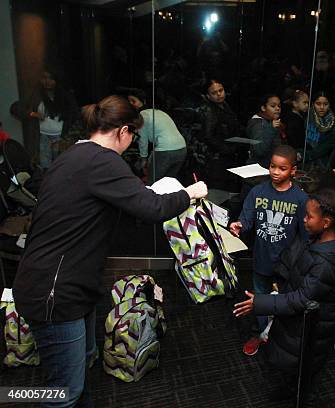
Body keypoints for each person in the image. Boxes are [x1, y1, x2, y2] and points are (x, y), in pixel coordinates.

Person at [12, 95, 208, 407]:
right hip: (55, 292)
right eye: (134, 136)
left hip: (66, 283)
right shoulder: (103, 161)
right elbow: (153, 208)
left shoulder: (75, 154)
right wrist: (189, 193)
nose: (132, 144)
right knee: (62, 393)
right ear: (123, 131)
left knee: (82, 366)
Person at [233, 188, 335, 407]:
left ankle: (301, 398)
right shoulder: (316, 239)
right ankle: (292, 390)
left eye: (309, 216)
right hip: (298, 323)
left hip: (311, 328)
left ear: (327, 222)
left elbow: (301, 299)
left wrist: (260, 303)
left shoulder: (326, 265)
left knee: (304, 371)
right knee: (294, 369)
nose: (304, 220)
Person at [229, 145, 308, 356]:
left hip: (287, 264)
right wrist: (239, 225)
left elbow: (305, 234)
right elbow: (247, 218)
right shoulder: (258, 191)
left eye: (282, 168)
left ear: (292, 170)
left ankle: (278, 338)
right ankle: (259, 334)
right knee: (259, 299)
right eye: (272, 166)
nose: (275, 172)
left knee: (284, 302)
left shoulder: (300, 199)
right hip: (262, 259)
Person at [127, 92, 187, 183]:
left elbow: (143, 140)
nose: (131, 104)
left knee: (154, 183)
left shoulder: (142, 115)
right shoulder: (158, 111)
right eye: (129, 101)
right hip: (182, 148)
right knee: (168, 183)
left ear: (143, 101)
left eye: (133, 101)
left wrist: (143, 159)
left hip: (165, 151)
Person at [27, 70, 79, 169]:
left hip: (60, 136)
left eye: (51, 78)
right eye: (44, 78)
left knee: (60, 166)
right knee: (45, 166)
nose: (47, 81)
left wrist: (67, 136)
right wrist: (33, 114)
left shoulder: (65, 95)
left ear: (56, 80)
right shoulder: (36, 95)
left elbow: (75, 114)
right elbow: (17, 108)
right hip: (42, 136)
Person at [197, 79, 242, 189]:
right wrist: (226, 149)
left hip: (229, 152)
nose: (219, 94)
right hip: (217, 157)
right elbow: (208, 136)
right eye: (214, 93)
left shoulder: (225, 105)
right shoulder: (209, 111)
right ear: (208, 96)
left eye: (220, 90)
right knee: (219, 186)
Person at [246, 94, 282, 168]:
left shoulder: (271, 122)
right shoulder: (258, 124)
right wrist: (271, 129)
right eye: (273, 106)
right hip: (259, 169)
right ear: (263, 108)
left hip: (269, 166)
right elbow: (260, 150)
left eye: (279, 106)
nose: (277, 108)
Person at [304, 92, 335, 169]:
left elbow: (328, 145)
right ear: (313, 104)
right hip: (305, 160)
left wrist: (309, 155)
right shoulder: (308, 116)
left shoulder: (332, 122)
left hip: (323, 161)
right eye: (318, 104)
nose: (322, 107)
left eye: (325, 104)